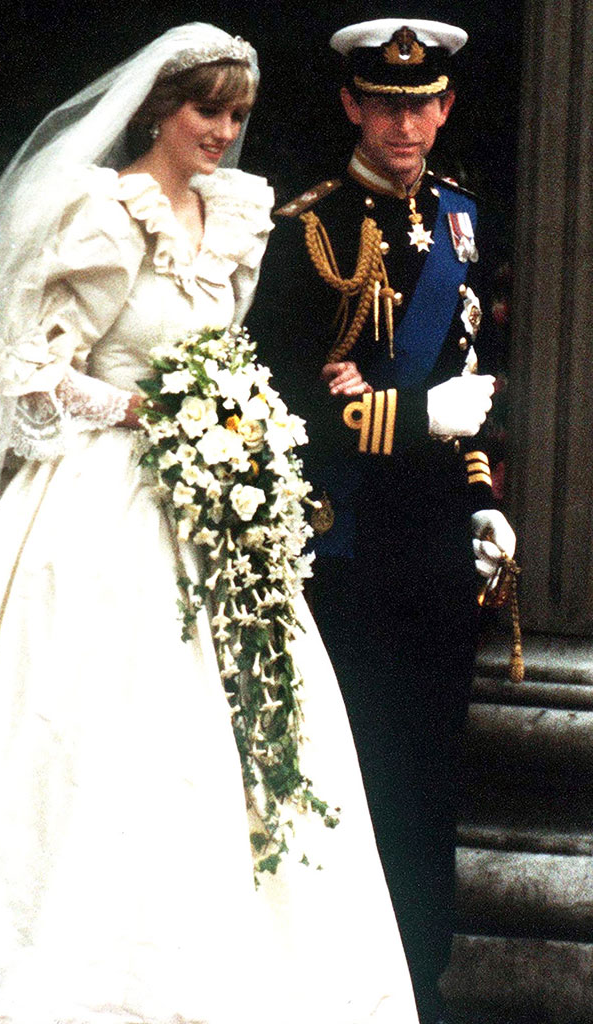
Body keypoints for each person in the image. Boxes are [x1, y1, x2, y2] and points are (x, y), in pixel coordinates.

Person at [0, 24, 420, 1024]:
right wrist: (143, 409)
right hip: (95, 497)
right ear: (159, 109)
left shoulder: (234, 219)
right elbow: (24, 366)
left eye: (236, 116)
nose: (222, 134)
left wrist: (233, 422)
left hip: (207, 506)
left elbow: (223, 351)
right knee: (64, 723)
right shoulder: (102, 218)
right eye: (207, 112)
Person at [248, 18, 516, 1024]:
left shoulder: (460, 224)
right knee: (354, 774)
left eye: (424, 103)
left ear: (446, 106)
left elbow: (470, 390)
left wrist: (487, 499)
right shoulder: (305, 231)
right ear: (353, 105)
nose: (407, 124)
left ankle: (423, 988)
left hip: (440, 548)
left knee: (431, 774)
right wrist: (407, 417)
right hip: (344, 548)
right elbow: (276, 402)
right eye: (387, 103)